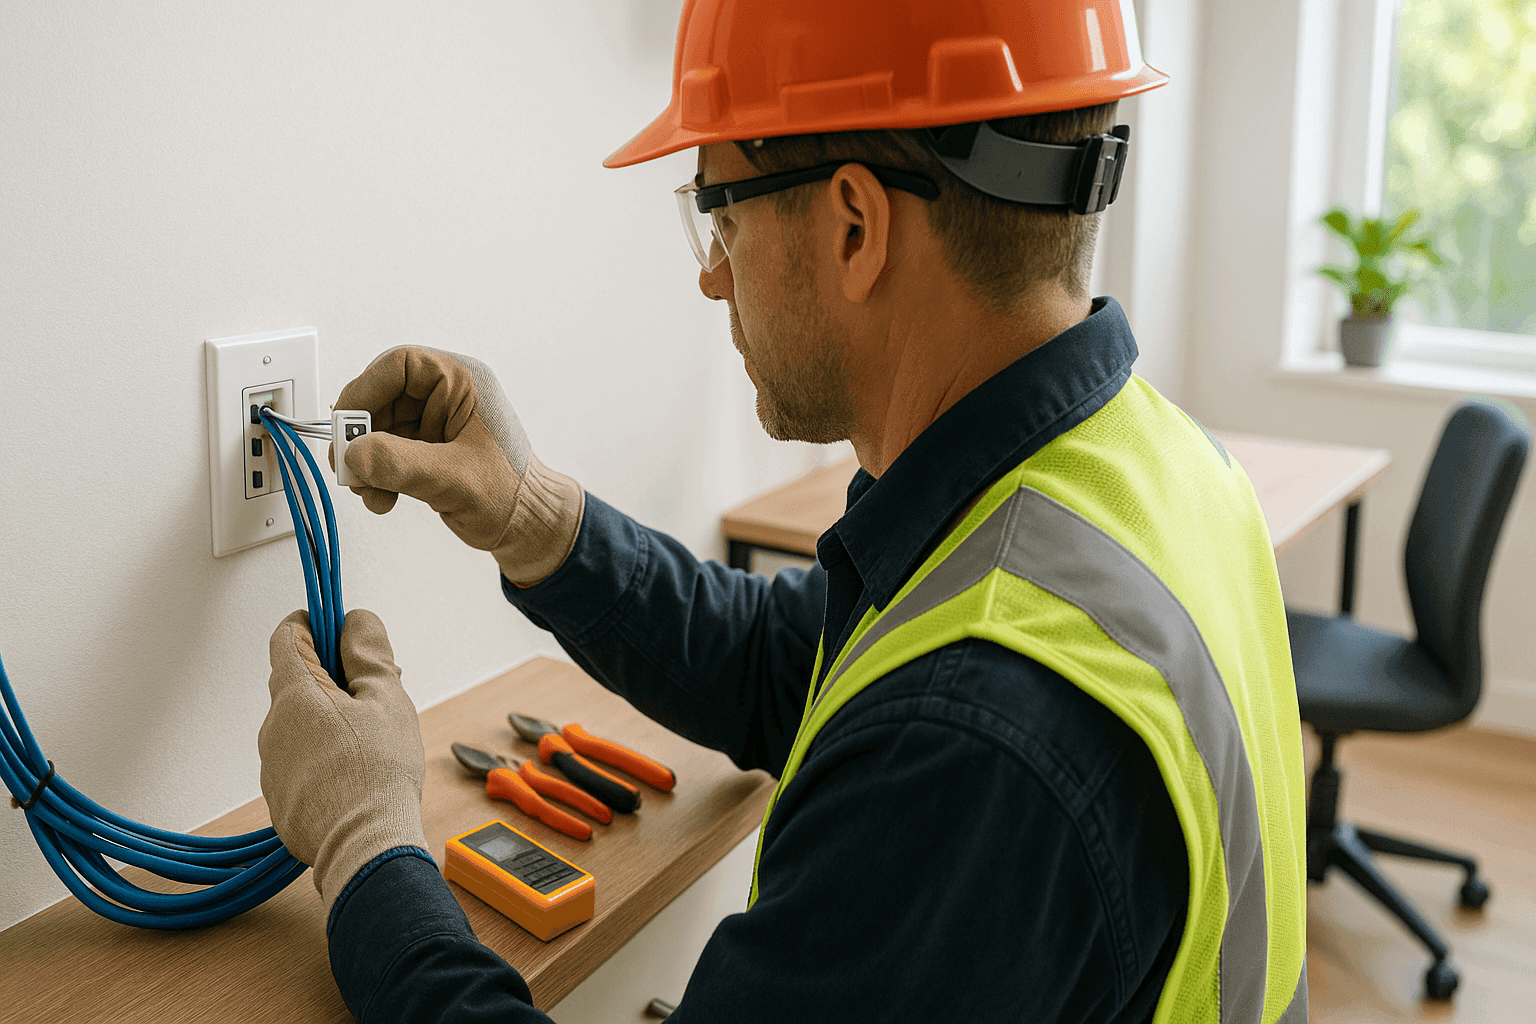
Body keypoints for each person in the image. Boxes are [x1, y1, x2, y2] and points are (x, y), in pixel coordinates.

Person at [256, 2, 1310, 1021]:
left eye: (718, 211)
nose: (713, 278)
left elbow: (925, 722)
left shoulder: (973, 744)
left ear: (855, 225)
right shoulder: (1155, 465)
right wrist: (538, 518)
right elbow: (796, 661)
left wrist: (368, 846)